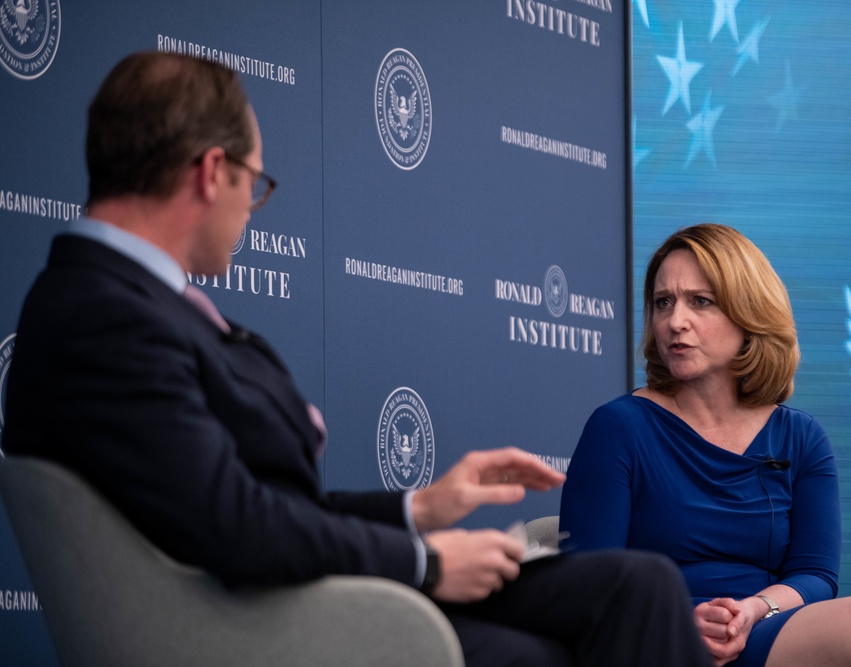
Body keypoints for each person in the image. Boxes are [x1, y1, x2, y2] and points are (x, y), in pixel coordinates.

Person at [1, 52, 713, 667]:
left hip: (299, 584)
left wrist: (422, 506)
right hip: (266, 617)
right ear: (211, 172)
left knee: (638, 586)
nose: (253, 206)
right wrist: (428, 561)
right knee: (564, 643)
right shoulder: (104, 314)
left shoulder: (120, 301)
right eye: (255, 180)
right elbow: (237, 523)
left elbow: (254, 505)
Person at [559, 223, 851, 667]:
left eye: (701, 302)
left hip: (764, 628)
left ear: (748, 314)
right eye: (663, 303)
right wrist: (676, 623)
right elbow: (586, 584)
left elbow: (816, 575)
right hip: (657, 638)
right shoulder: (618, 427)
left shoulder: (801, 437)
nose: (675, 321)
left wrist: (754, 610)